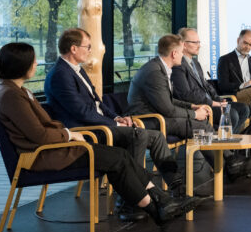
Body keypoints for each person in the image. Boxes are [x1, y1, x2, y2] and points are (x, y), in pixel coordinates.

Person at [0, 42, 195, 227]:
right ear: (22, 65)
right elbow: (39, 135)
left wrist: (69, 135)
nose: (36, 63)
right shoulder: (10, 96)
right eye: (33, 60)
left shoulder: (16, 91)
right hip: (45, 155)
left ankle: (160, 202)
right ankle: (156, 208)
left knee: (121, 156)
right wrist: (69, 135)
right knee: (117, 158)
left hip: (56, 148)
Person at [43, 27, 184, 219]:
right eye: (87, 47)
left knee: (157, 136)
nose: (90, 51)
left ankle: (177, 188)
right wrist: (115, 125)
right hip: (87, 131)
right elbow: (82, 112)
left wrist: (117, 118)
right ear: (74, 49)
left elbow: (97, 104)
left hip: (102, 125)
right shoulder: (60, 75)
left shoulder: (77, 70)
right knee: (137, 135)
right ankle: (128, 202)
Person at [128, 34, 251, 186]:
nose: (182, 56)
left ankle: (228, 164)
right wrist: (195, 114)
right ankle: (228, 164)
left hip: (159, 115)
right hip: (148, 120)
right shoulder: (155, 72)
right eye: (180, 52)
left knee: (202, 125)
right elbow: (168, 110)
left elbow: (168, 100)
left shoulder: (159, 67)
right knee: (199, 125)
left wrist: (192, 106)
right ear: (174, 53)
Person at [171, 27, 249, 134]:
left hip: (210, 103)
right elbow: (186, 95)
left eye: (199, 42)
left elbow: (206, 85)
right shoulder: (178, 65)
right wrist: (213, 103)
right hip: (199, 106)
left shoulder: (195, 63)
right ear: (184, 44)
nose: (199, 45)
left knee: (243, 109)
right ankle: (223, 142)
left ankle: (228, 141)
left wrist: (219, 100)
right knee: (232, 114)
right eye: (195, 42)